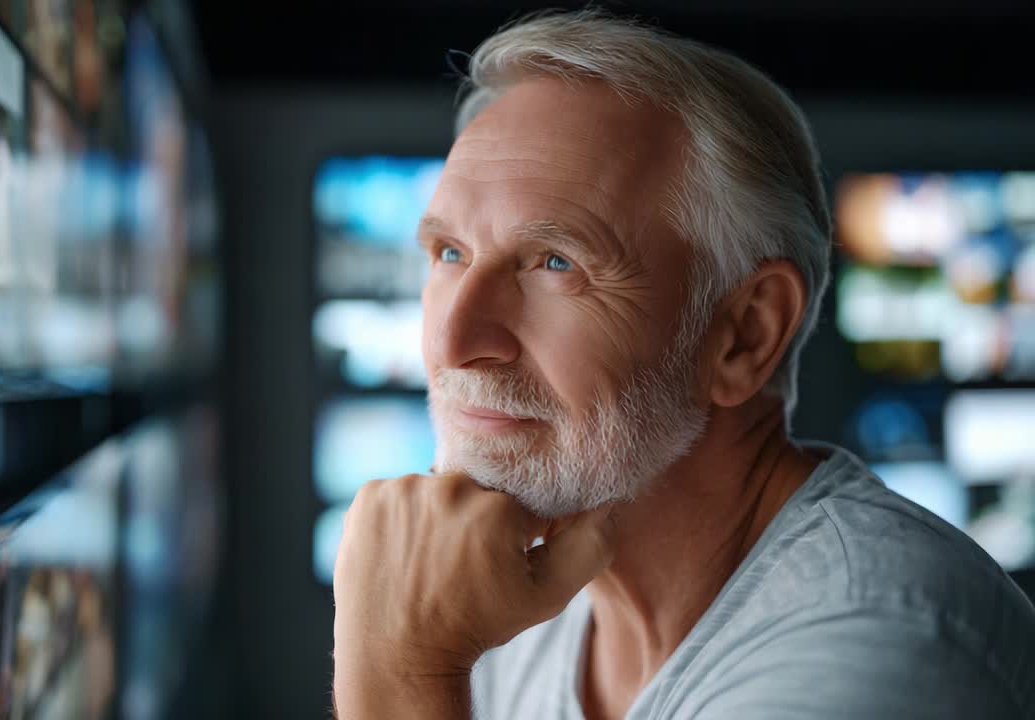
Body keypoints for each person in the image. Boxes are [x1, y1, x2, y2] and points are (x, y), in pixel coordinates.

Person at [331, 10, 1035, 720]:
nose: (453, 342)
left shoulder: (882, 646)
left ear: (744, 334)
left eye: (555, 263)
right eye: (450, 253)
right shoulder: (507, 596)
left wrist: (401, 666)